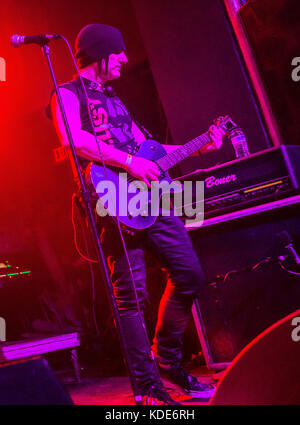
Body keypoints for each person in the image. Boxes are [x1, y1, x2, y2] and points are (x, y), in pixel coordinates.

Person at [50, 24, 225, 405]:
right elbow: (73, 139)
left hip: (149, 198)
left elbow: (148, 149)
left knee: (189, 274)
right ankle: (147, 389)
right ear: (100, 54)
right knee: (131, 296)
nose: (126, 59)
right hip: (109, 199)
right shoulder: (66, 92)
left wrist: (199, 147)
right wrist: (129, 161)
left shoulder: (114, 96)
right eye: (120, 52)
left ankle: (167, 362)